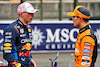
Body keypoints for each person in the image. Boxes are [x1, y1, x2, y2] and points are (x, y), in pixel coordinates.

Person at [3, 2, 38, 67]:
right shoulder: (12, 29)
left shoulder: (29, 28)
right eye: (30, 13)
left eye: (33, 13)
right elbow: (7, 53)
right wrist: (18, 65)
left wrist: (30, 59)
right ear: (21, 13)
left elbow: (26, 47)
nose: (33, 15)